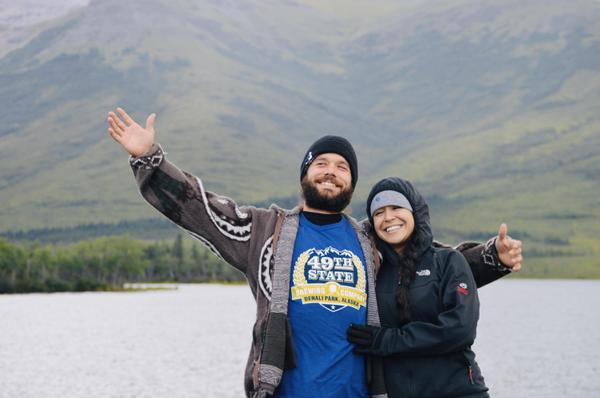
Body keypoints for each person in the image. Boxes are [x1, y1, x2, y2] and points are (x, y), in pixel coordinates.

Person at [107, 108, 522, 398]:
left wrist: (493, 257)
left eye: (342, 167)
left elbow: (429, 262)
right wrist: (150, 159)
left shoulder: (368, 241)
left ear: (350, 184)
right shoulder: (266, 231)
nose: (330, 170)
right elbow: (202, 211)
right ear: (305, 174)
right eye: (321, 162)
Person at [347, 177, 491, 397]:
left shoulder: (448, 261)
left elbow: (460, 330)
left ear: (415, 211)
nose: (388, 217)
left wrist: (386, 340)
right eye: (378, 212)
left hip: (459, 391)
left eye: (396, 207)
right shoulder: (373, 274)